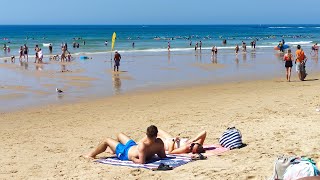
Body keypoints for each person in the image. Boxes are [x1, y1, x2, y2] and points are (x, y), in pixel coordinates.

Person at [84, 125, 166, 164]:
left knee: (106, 140)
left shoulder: (143, 145)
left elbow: (141, 162)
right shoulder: (159, 142)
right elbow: (162, 156)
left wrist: (133, 158)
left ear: (146, 134)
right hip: (132, 146)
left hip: (125, 153)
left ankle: (90, 155)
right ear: (156, 135)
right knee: (119, 134)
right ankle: (114, 150)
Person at [139, 128, 206, 154]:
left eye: (191, 149)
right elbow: (204, 132)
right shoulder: (197, 145)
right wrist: (194, 139)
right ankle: (140, 142)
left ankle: (139, 144)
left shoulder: (185, 148)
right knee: (157, 130)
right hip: (170, 138)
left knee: (153, 138)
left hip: (167, 144)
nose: (190, 147)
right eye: (192, 145)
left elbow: (171, 152)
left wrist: (173, 141)